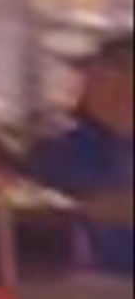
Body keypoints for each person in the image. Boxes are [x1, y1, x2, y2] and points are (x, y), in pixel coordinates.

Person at [28, 26, 135, 281]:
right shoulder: (63, 149)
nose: (115, 88)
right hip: (78, 288)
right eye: (102, 76)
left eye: (126, 74)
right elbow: (30, 196)